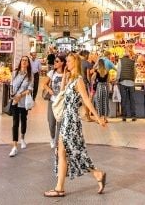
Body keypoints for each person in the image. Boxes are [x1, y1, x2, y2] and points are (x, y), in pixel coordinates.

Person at [44, 52, 107, 198]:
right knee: (62, 152)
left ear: (76, 63)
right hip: (66, 118)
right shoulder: (71, 79)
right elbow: (61, 95)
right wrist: (65, 77)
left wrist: (97, 118)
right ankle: (60, 187)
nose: (67, 64)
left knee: (75, 151)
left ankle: (97, 173)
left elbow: (86, 100)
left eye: (69, 61)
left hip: (72, 120)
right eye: (67, 61)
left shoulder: (78, 80)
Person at [8, 55, 33, 157]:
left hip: (23, 102)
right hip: (14, 101)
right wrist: (13, 96)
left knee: (23, 120)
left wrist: (20, 95)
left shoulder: (30, 75)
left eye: (26, 61)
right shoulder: (15, 73)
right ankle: (14, 146)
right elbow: (11, 86)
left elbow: (30, 89)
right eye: (22, 60)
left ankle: (22, 138)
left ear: (28, 63)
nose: (24, 62)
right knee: (15, 123)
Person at [41, 53, 65, 148]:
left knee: (60, 124)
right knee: (51, 123)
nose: (54, 62)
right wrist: (49, 90)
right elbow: (44, 84)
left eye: (57, 61)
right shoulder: (52, 73)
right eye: (55, 60)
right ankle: (52, 138)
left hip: (61, 102)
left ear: (62, 63)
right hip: (52, 101)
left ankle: (57, 142)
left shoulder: (66, 74)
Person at [117, 47, 137, 121]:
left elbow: (119, 71)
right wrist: (133, 79)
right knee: (132, 99)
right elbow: (135, 72)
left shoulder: (120, 61)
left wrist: (117, 80)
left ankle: (124, 116)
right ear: (129, 56)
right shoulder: (132, 62)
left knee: (124, 99)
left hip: (123, 82)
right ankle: (133, 116)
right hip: (131, 83)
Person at [93, 58, 111, 124]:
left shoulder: (97, 71)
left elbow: (93, 78)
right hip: (105, 87)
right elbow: (108, 80)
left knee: (99, 102)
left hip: (99, 87)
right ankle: (105, 118)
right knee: (105, 102)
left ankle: (99, 119)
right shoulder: (107, 71)